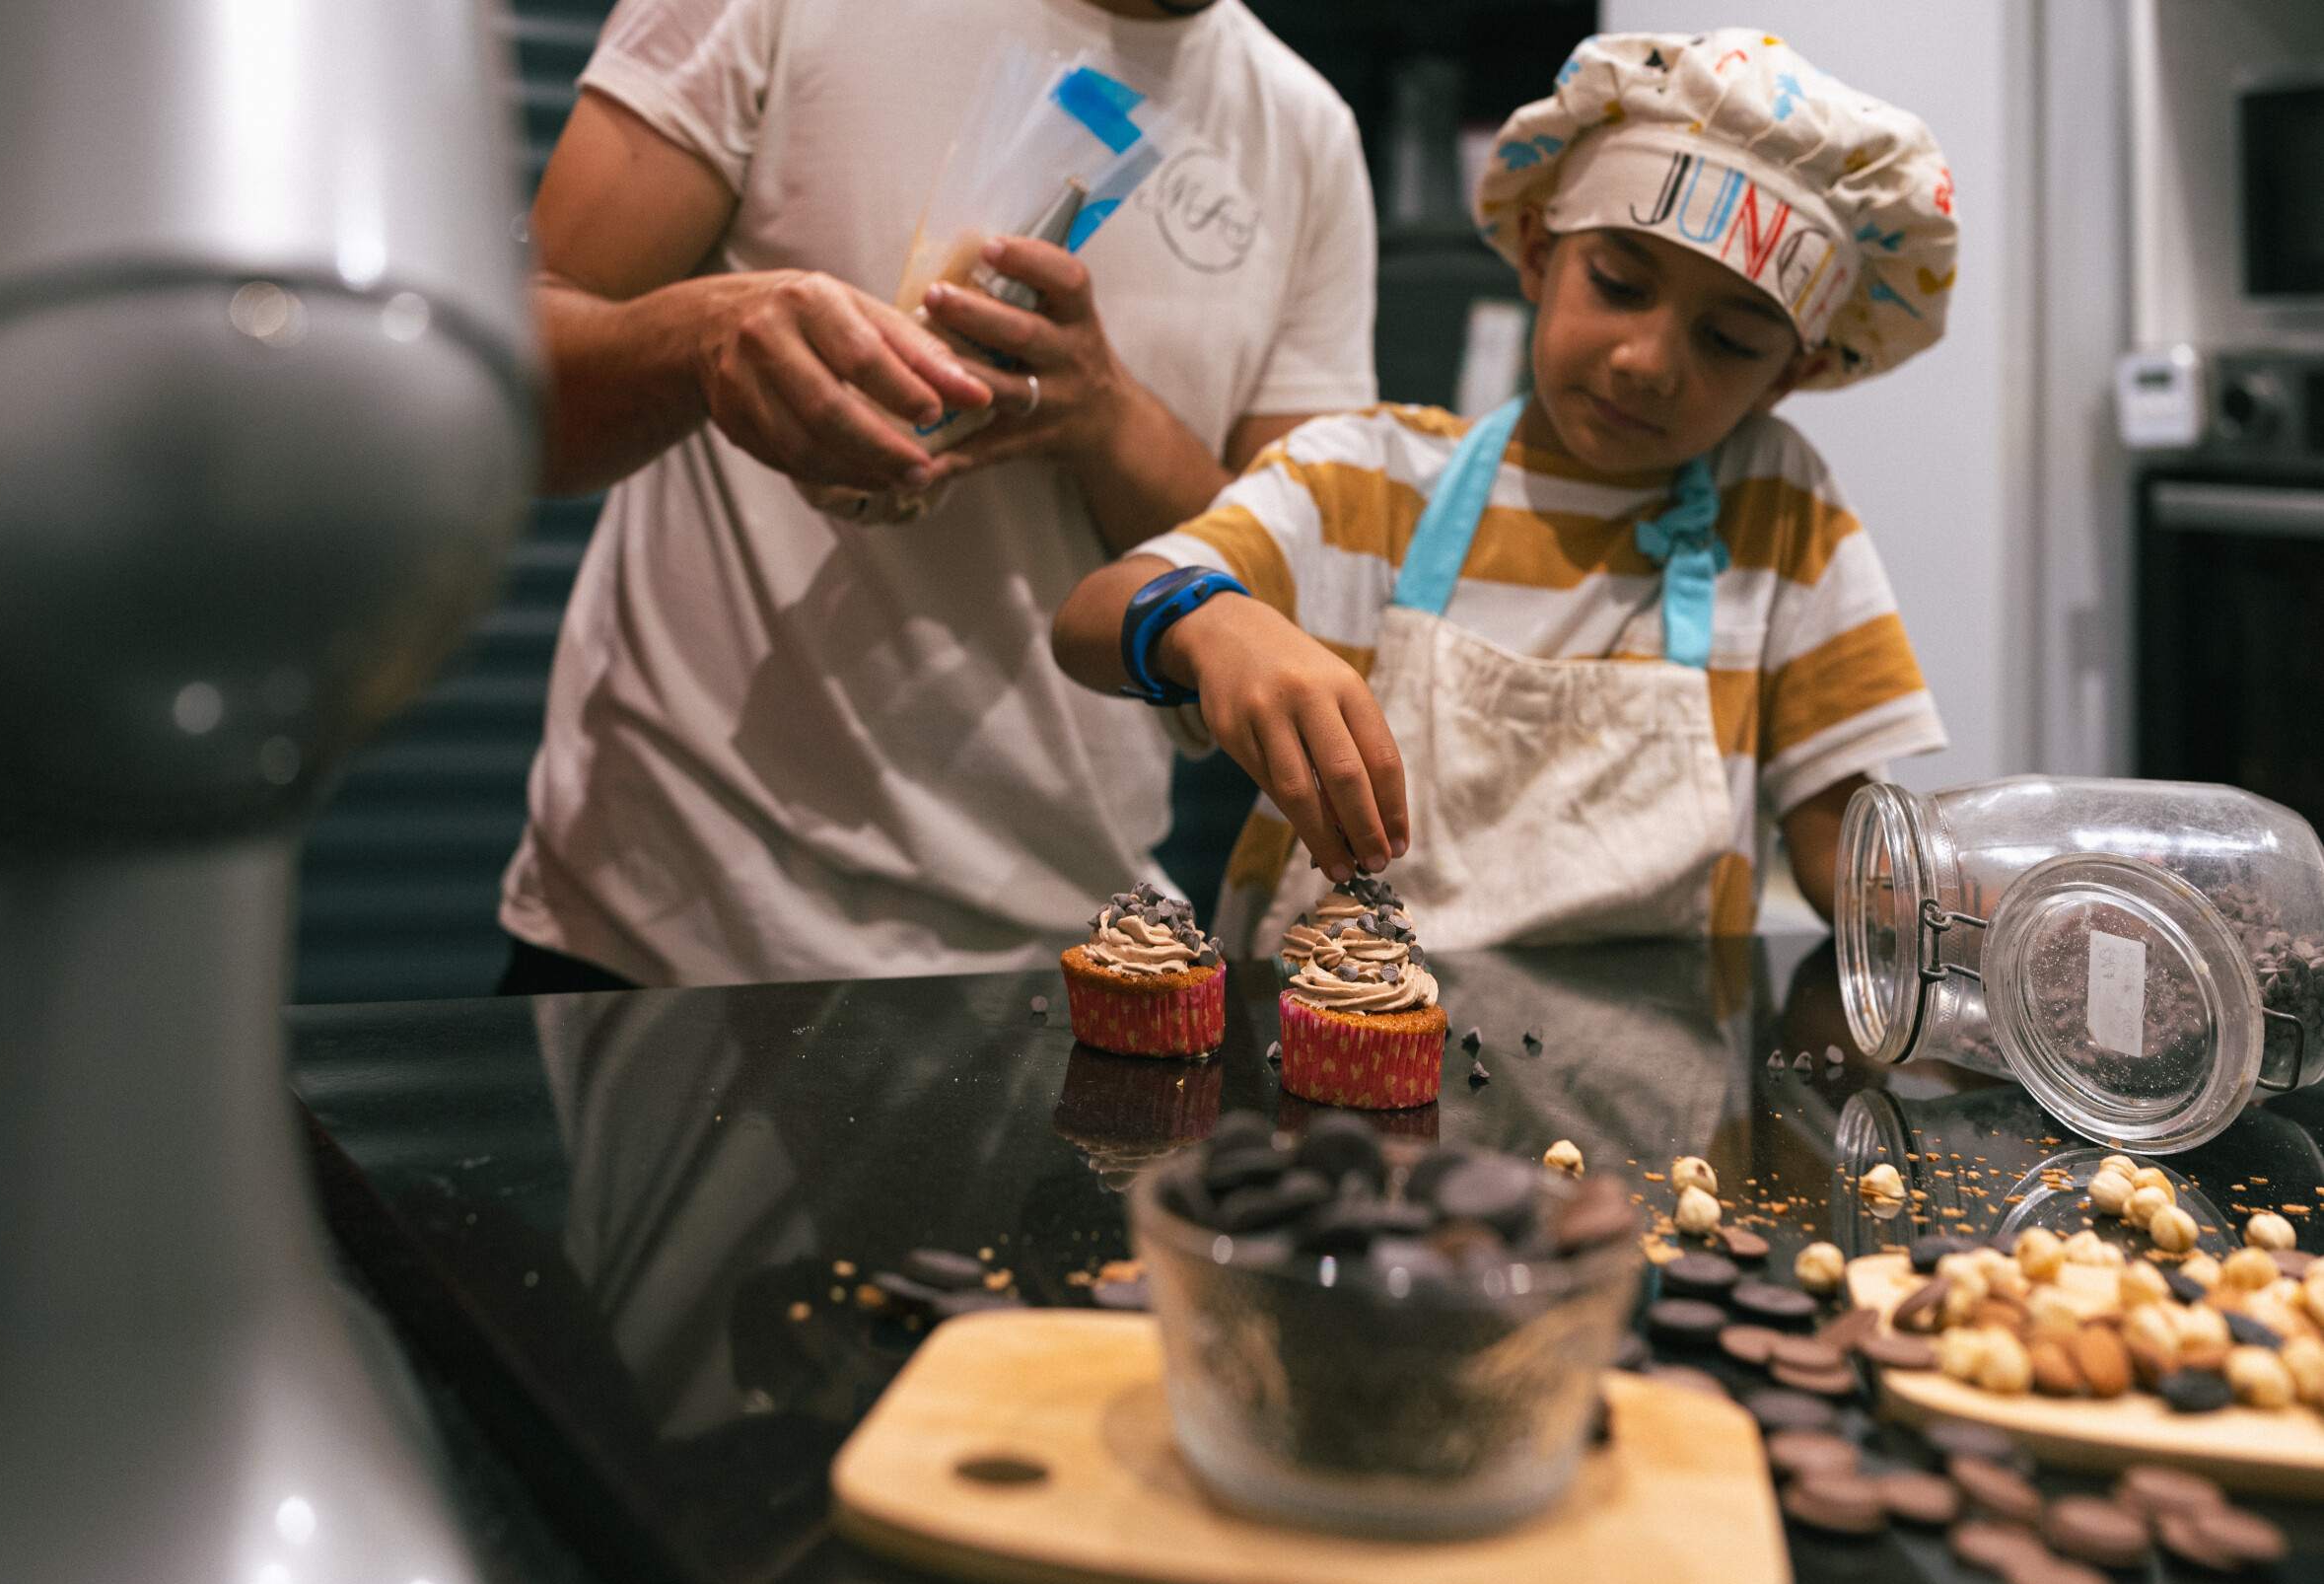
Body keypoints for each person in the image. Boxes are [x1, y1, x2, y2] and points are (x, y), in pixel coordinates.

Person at [495, 0, 1376, 992]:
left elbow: (1300, 589)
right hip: (665, 923)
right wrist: (704, 336)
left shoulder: (1305, 129)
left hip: (1065, 949)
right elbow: (505, 401)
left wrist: (1105, 418)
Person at [1054, 29, 1957, 955]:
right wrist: (1211, 621)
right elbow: (1088, 619)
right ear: (1535, 251)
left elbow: (1841, 852)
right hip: (1321, 1068)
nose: (1648, 362)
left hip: (1660, 1088)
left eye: (1727, 340)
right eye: (1616, 284)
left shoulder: (1776, 512)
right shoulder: (1369, 480)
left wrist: (1982, 935)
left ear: (1785, 377)